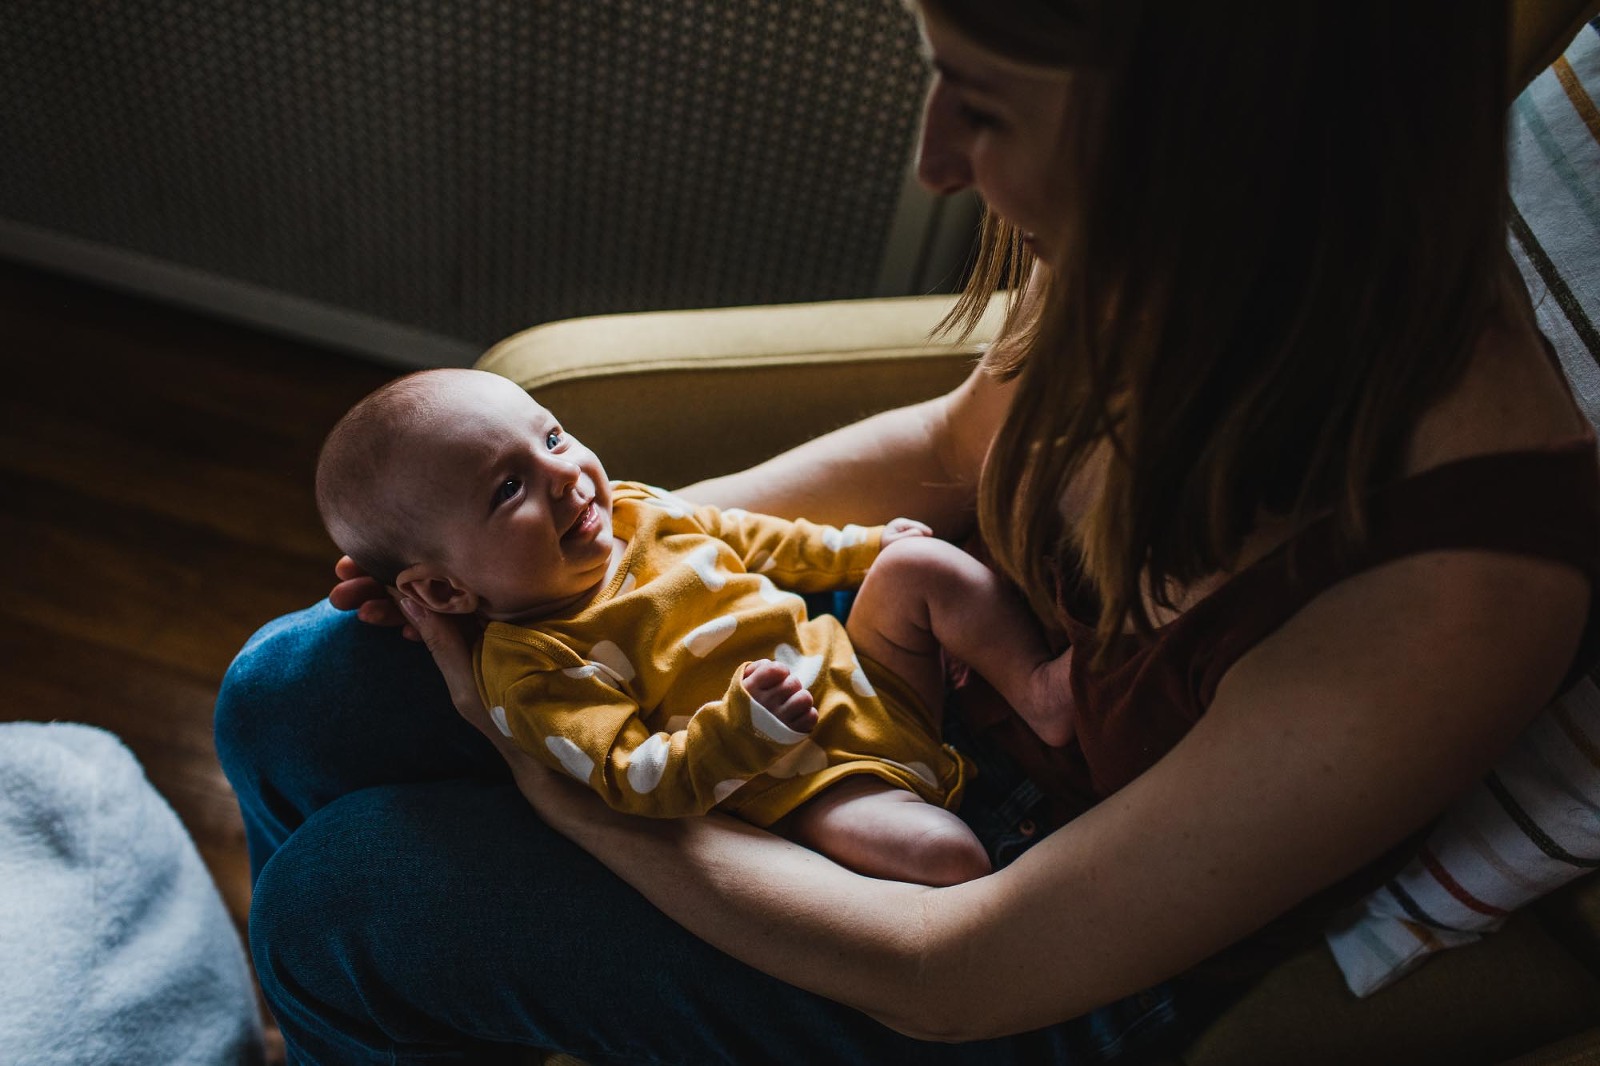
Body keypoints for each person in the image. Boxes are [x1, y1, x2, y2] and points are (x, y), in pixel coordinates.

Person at [214, 1, 1600, 1062]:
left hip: (1014, 925)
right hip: (908, 682)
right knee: (296, 689)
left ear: (1206, 146)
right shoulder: (1186, 268)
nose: (938, 162)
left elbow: (959, 963)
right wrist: (604, 576)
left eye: (980, 104)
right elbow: (945, 452)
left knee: (346, 901)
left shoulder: (1461, 594)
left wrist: (559, 778)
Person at [313, 367, 1076, 886]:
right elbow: (634, 779)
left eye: (551, 438)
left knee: (924, 570)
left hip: (869, 672)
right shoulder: (531, 669)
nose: (566, 475)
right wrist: (739, 732)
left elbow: (764, 541)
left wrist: (870, 549)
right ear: (443, 590)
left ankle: (1039, 692)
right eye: (509, 487)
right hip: (809, 786)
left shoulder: (640, 509)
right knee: (950, 857)